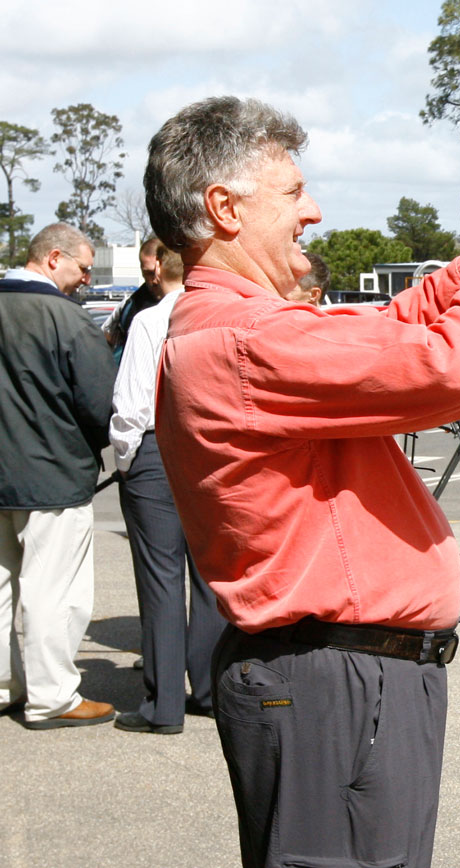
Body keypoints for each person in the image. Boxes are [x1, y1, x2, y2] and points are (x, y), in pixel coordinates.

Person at [145, 95, 460, 867]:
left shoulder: (246, 326)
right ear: (223, 208)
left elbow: (395, 329)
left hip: (343, 679)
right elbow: (452, 366)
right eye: (293, 192)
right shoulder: (243, 336)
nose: (312, 210)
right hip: (333, 684)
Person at [0, 222, 116, 729]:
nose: (86, 279)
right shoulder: (65, 319)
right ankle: (53, 696)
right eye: (83, 268)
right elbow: (99, 402)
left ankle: (5, 683)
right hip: (50, 473)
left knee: (1, 586)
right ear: (53, 258)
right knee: (54, 589)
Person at [109, 243, 226, 734]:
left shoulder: (150, 320)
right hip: (213, 451)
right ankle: (207, 688)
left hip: (157, 448)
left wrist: (125, 458)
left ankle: (163, 706)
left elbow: (131, 402)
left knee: (160, 579)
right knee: (207, 576)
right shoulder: (219, 317)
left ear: (160, 270)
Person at [103, 235, 164, 363]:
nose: (155, 279)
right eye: (148, 273)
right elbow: (105, 336)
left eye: (157, 272)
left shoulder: (182, 300)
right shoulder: (129, 305)